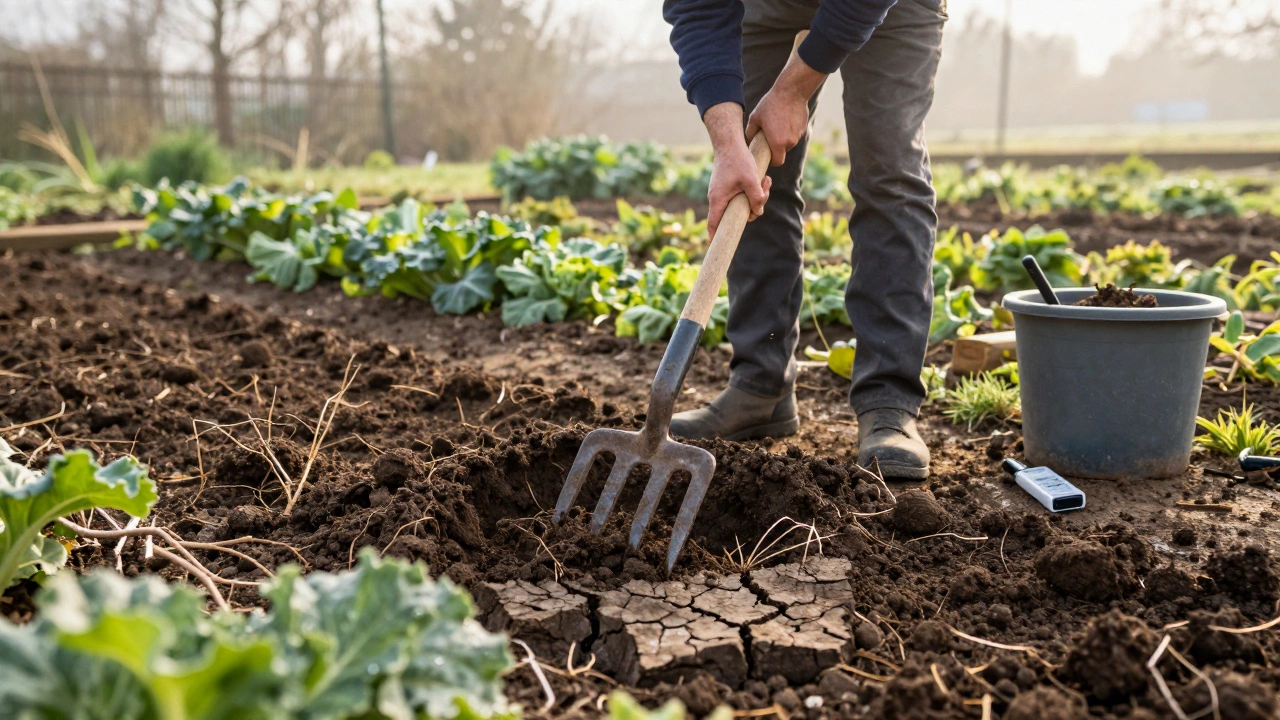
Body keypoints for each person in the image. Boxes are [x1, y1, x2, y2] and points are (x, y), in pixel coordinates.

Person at [662, 0, 947, 479]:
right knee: (752, 178)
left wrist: (793, 89)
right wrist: (729, 143)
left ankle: (889, 403)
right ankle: (760, 385)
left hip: (894, 8)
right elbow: (697, 9)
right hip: (768, 7)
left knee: (889, 176)